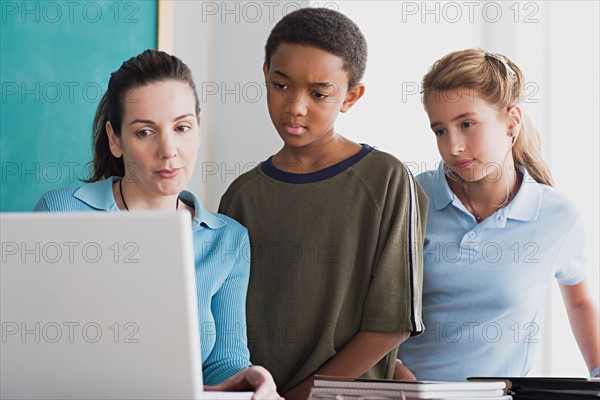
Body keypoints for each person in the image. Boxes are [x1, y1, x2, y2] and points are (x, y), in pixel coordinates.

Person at [34, 49, 281, 399]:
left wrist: (250, 376)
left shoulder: (227, 239)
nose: (169, 150)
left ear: (198, 129)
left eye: (182, 128)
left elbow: (224, 361)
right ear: (115, 139)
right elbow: (31, 345)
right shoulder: (60, 213)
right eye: (146, 132)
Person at [218, 8, 428, 400]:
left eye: (318, 94)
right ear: (265, 75)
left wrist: (296, 398)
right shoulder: (241, 196)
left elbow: (392, 323)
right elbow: (225, 327)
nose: (296, 107)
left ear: (350, 96)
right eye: (281, 86)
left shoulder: (387, 180)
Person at [396, 48, 600, 381]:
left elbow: (579, 301)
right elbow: (369, 304)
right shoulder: (412, 199)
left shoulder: (558, 217)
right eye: (440, 130)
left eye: (466, 123)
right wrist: (393, 370)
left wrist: (597, 371)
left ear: (512, 121)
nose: (453, 146)